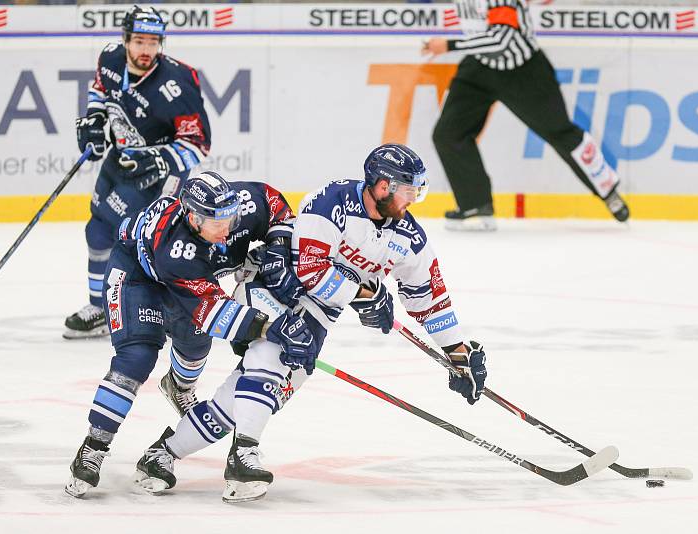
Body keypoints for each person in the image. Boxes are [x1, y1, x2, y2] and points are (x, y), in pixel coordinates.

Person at [129, 144, 489, 503]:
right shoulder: (333, 202)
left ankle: (163, 454)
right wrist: (365, 295)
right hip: (271, 286)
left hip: (318, 315)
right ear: (383, 187)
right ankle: (243, 457)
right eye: (408, 192)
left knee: (253, 396)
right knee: (272, 359)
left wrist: (456, 350)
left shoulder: (408, 237)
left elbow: (430, 297)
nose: (413, 201)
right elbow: (310, 270)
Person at [64, 171, 312, 498]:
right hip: (137, 278)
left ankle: (178, 387)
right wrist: (267, 327)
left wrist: (278, 245)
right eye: (216, 223)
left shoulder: (235, 209)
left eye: (231, 217)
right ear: (193, 219)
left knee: (195, 344)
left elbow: (272, 200)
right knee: (137, 358)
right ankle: (94, 447)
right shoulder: (176, 249)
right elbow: (212, 310)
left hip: (190, 283)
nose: (227, 229)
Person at [65, 5, 211, 338]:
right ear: (126, 39)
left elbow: (198, 144)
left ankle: (173, 312)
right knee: (98, 231)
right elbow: (100, 89)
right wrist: (95, 119)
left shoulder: (178, 83)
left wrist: (161, 159)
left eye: (153, 42)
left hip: (161, 175)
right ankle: (100, 309)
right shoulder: (111, 57)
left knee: (147, 245)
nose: (146, 50)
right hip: (120, 161)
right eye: (139, 41)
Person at [423, 0, 629, 231]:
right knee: (448, 134)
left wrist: (449, 44)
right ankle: (475, 203)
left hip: (524, 71)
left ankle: (608, 191)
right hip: (480, 66)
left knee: (560, 132)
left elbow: (502, 39)